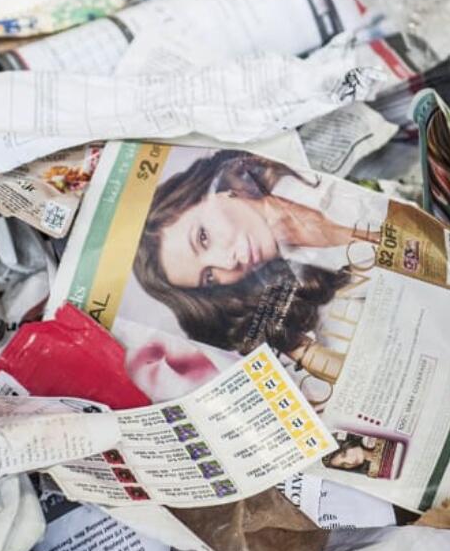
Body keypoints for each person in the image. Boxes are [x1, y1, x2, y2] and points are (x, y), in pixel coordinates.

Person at [132, 150, 383, 385]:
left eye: (203, 238)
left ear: (212, 193)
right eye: (209, 277)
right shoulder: (305, 298)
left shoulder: (301, 163)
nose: (227, 263)